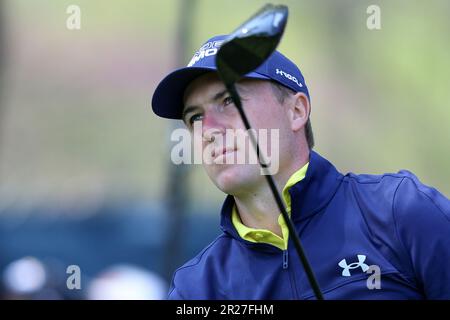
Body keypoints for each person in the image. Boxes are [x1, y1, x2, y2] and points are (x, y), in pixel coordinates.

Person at [151, 34, 450, 299]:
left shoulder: (401, 213)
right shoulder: (198, 288)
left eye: (229, 100)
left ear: (296, 111)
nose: (209, 129)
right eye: (195, 118)